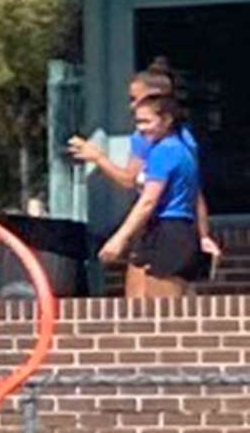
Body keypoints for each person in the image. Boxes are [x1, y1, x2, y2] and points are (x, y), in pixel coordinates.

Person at [67, 60, 220, 295]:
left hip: (167, 225)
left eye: (135, 98)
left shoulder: (164, 145)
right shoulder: (173, 141)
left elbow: (139, 188)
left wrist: (98, 158)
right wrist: (203, 234)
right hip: (153, 226)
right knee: (139, 303)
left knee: (162, 308)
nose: (132, 107)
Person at [96, 94, 208, 298]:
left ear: (167, 120)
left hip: (168, 232)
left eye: (147, 121)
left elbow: (148, 201)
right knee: (157, 306)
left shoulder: (164, 152)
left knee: (163, 313)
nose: (141, 128)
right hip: (178, 231)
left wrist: (119, 238)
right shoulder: (184, 148)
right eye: (138, 121)